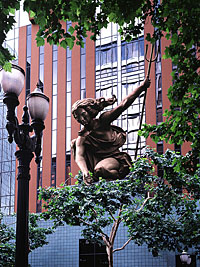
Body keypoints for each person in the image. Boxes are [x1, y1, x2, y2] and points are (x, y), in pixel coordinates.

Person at [71, 77, 151, 185]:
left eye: (83, 115)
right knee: (75, 144)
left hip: (115, 159)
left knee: (100, 170)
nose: (82, 120)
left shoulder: (103, 120)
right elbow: (79, 156)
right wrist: (85, 173)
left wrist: (141, 87)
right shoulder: (83, 135)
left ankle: (122, 177)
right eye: (78, 118)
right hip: (98, 164)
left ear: (89, 111)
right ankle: (105, 179)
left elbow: (123, 104)